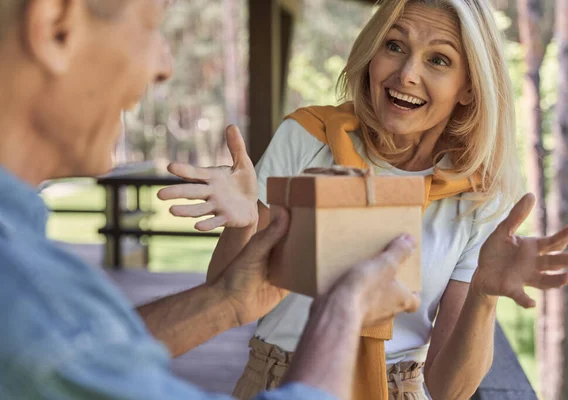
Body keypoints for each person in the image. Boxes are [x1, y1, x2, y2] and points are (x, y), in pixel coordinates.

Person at [160, 0, 568, 399]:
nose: (406, 74)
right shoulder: (308, 138)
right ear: (371, 54)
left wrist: (484, 294)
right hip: (277, 378)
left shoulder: (478, 199)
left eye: (438, 59)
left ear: (468, 88)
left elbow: (448, 389)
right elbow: (227, 293)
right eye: (394, 45)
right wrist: (242, 226)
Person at [0, 1, 425, 399]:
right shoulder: (26, 295)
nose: (164, 67)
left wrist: (226, 301)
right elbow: (60, 343)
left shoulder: (33, 293)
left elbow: (89, 349)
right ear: (56, 28)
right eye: (152, 27)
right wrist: (342, 310)